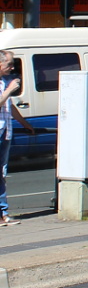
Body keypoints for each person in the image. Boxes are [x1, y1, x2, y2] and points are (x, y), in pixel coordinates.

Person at [0, 49, 34, 226]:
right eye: (9, 64)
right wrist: (9, 90)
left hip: (5, 131)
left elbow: (9, 106)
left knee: (2, 172)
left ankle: (3, 213)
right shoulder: (6, 85)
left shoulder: (4, 82)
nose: (12, 68)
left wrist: (25, 124)